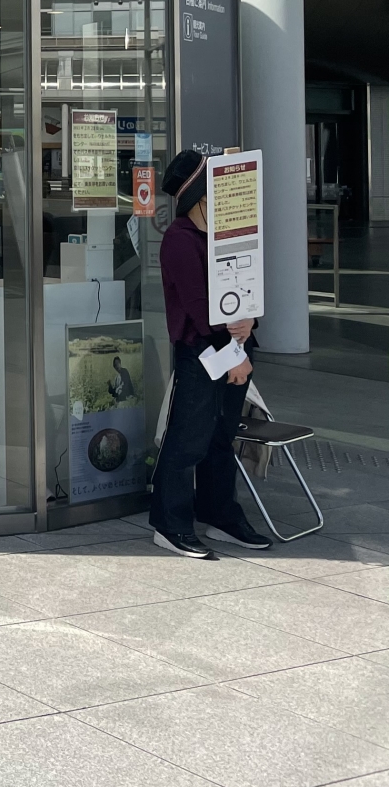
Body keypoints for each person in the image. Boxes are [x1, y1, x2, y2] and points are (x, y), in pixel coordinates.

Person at [150, 149, 272, 558]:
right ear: (200, 196)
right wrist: (233, 353)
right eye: (216, 188)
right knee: (188, 439)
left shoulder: (225, 236)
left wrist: (250, 323)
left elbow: (246, 290)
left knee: (222, 437)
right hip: (201, 350)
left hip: (237, 346)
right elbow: (198, 305)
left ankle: (221, 516)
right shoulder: (179, 238)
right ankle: (170, 524)